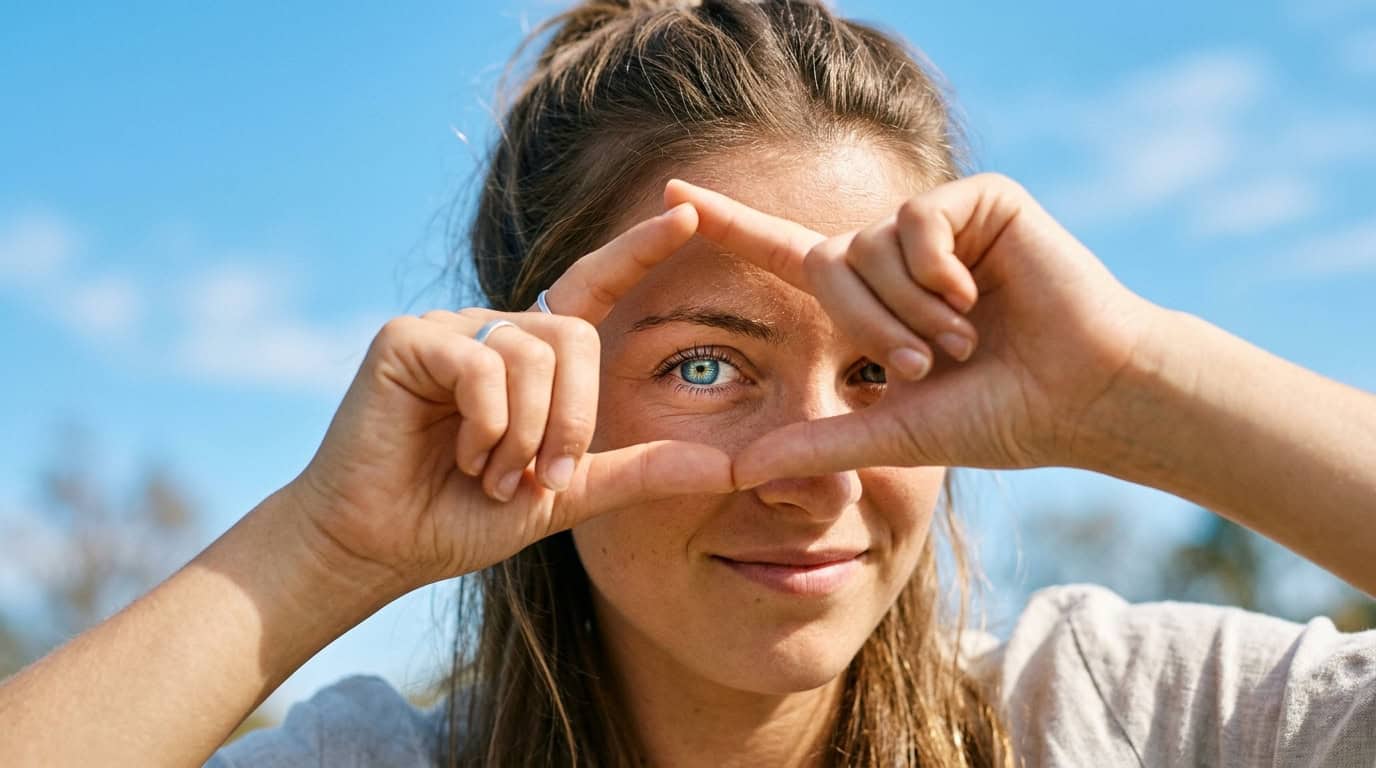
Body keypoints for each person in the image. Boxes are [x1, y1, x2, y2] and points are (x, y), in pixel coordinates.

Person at [2, 1, 1374, 765]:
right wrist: (324, 546)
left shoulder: (1126, 718)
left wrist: (1140, 384)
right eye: (707, 364)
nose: (810, 461)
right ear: (538, 381)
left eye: (884, 369)